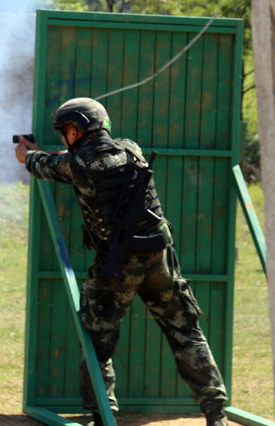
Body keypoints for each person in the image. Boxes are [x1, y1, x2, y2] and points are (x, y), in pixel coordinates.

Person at [14, 97, 228, 426]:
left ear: (75, 131)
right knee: (186, 331)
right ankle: (216, 413)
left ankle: (104, 414)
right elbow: (82, 159)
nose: (64, 138)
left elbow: (44, 165)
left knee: (98, 339)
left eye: (65, 132)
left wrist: (27, 155)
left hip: (119, 262)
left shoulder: (77, 165)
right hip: (159, 256)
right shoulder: (131, 149)